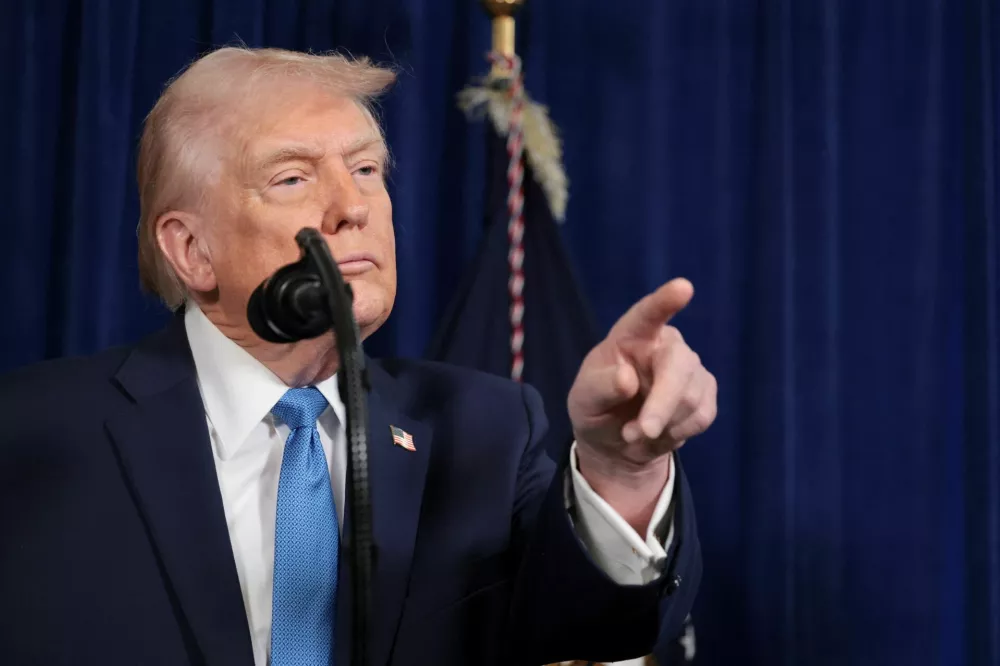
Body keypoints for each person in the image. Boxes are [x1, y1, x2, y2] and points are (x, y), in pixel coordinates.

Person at [0, 47, 716, 666]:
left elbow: (598, 627)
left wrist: (623, 468)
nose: (354, 206)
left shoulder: (486, 430)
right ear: (192, 250)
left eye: (368, 169)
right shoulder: (32, 434)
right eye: (292, 178)